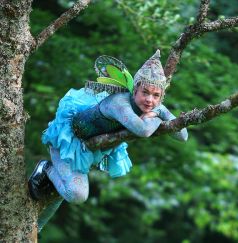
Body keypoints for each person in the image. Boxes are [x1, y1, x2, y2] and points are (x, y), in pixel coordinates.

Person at [28, 50, 188, 232]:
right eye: (145, 93)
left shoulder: (155, 105)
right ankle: (46, 168)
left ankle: (35, 230)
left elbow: (183, 136)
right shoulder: (119, 103)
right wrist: (159, 115)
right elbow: (143, 130)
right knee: (77, 195)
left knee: (58, 193)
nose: (150, 100)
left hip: (88, 149)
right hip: (68, 141)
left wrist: (161, 112)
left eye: (156, 95)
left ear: (161, 96)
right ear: (135, 89)